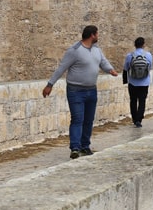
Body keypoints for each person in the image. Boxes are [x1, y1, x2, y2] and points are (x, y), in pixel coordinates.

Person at [42, 25, 119, 159]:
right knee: (78, 119)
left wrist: (110, 70)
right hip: (75, 90)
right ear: (92, 35)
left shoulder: (96, 50)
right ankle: (75, 148)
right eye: (97, 34)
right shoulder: (74, 50)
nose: (98, 36)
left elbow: (103, 62)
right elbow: (61, 68)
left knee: (88, 120)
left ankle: (85, 146)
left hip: (91, 90)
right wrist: (50, 84)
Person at [123, 37, 152, 127]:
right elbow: (149, 66)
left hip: (133, 82)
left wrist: (125, 81)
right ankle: (139, 119)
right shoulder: (148, 55)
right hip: (144, 82)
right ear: (143, 45)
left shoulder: (130, 56)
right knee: (142, 101)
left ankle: (135, 119)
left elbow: (125, 68)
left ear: (135, 45)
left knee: (133, 100)